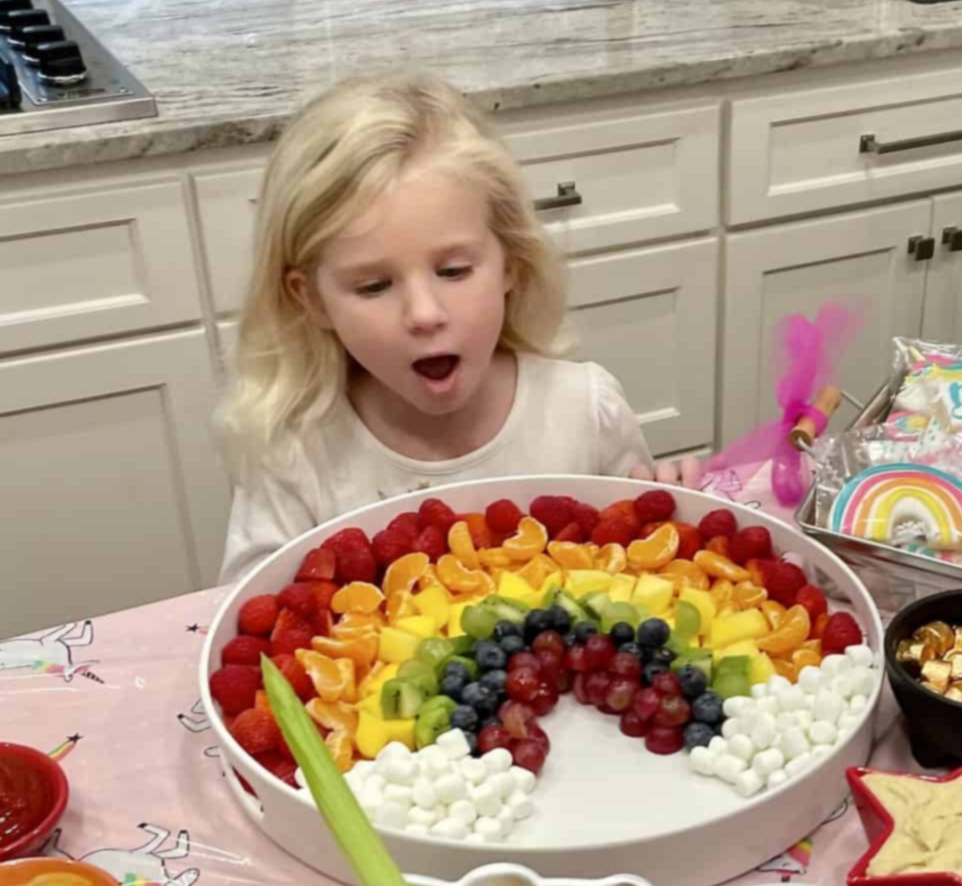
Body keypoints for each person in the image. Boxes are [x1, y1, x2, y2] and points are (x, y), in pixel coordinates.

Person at [216, 74, 700, 584]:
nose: (424, 313)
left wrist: (676, 520)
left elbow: (644, 580)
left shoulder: (586, 410)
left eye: (453, 272)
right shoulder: (295, 454)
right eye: (375, 285)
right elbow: (242, 614)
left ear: (511, 263)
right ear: (311, 299)